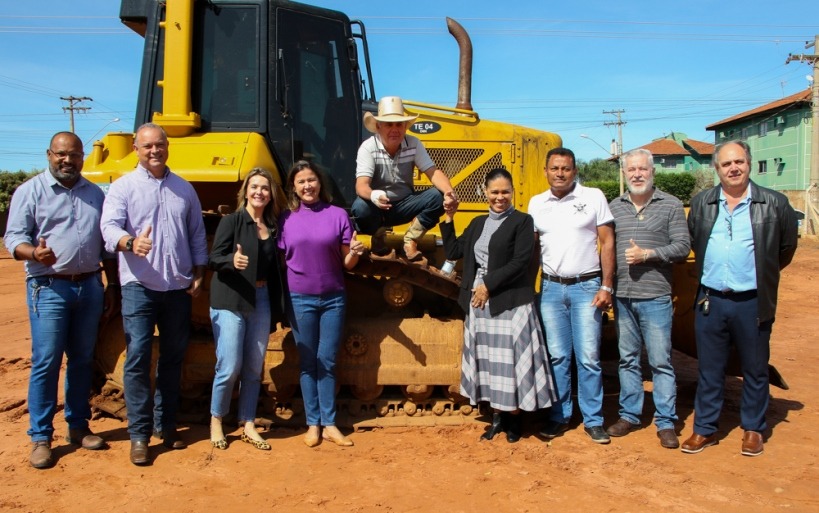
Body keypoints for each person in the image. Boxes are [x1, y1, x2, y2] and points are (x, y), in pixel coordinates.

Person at [4, 132, 118, 469]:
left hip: (89, 285)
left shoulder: (95, 194)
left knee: (82, 359)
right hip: (49, 287)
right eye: (60, 155)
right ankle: (40, 436)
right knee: (47, 361)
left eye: (74, 155)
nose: (67, 161)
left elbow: (106, 243)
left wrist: (110, 286)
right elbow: (13, 238)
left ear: (84, 157)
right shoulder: (31, 191)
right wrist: (33, 252)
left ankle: (78, 426)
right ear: (49, 154)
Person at [100, 123, 208, 465]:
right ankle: (139, 435)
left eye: (159, 145)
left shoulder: (184, 189)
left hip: (177, 286)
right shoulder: (123, 187)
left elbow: (196, 234)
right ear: (136, 148)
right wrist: (131, 242)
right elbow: (108, 229)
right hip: (139, 285)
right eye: (147, 146)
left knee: (174, 358)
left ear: (167, 147)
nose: (154, 151)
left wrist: (200, 272)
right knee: (138, 359)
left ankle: (167, 426)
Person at [682, 140, 797, 456]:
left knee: (755, 368)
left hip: (752, 302)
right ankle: (705, 429)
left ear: (748, 163)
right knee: (709, 369)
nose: (733, 168)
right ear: (716, 169)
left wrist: (759, 275)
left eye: (739, 162)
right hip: (711, 301)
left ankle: (753, 429)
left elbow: (784, 249)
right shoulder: (703, 203)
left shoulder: (775, 204)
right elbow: (695, 241)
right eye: (726, 164)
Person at [440, 168, 556, 443]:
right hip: (479, 302)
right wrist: (448, 217)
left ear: (512, 192)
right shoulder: (478, 223)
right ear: (485, 193)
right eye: (495, 192)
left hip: (507, 301)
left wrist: (488, 285)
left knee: (510, 363)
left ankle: (515, 420)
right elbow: (455, 251)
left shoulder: (523, 222)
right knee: (490, 361)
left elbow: (520, 263)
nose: (500, 197)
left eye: (505, 192)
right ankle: (496, 418)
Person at [528, 147, 615, 444]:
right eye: (555, 168)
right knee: (558, 356)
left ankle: (593, 419)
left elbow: (607, 242)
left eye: (566, 168)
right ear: (546, 171)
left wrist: (607, 285)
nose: (560, 173)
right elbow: (533, 249)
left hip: (586, 288)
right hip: (551, 289)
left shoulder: (594, 197)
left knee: (589, 357)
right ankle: (560, 415)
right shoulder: (537, 203)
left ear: (575, 171)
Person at [606, 149, 690, 449]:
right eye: (631, 170)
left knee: (660, 362)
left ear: (652, 172)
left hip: (656, 297)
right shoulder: (614, 206)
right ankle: (629, 415)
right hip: (623, 297)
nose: (637, 174)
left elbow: (682, 247)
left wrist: (649, 254)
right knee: (628, 360)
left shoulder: (670, 204)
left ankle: (665, 422)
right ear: (625, 174)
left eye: (642, 169)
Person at [278, 160, 365, 448]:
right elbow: (278, 261)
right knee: (307, 363)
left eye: (312, 180)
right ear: (293, 186)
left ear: (320, 183)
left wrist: (354, 252)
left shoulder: (338, 215)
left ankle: (329, 424)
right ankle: (312, 424)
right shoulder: (284, 219)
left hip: (332, 299)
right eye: (301, 181)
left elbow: (347, 264)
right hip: (299, 298)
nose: (307, 186)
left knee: (326, 361)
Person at [207, 168, 286, 451]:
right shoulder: (232, 221)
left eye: (265, 188)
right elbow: (214, 258)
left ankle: (248, 423)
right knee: (229, 366)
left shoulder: (273, 226)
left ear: (271, 194)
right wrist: (232, 260)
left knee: (254, 365)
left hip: (261, 297)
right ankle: (217, 419)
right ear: (246, 191)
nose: (259, 192)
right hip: (231, 298)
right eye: (254, 187)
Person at [352, 96, 458, 259]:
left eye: (399, 124)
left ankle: (411, 240)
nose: (395, 129)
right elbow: (361, 186)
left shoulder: (414, 143)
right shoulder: (368, 148)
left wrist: (449, 192)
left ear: (405, 127)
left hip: (405, 205)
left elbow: (433, 172)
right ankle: (378, 236)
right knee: (360, 207)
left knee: (438, 196)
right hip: (378, 208)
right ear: (378, 126)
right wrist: (374, 196)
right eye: (389, 124)